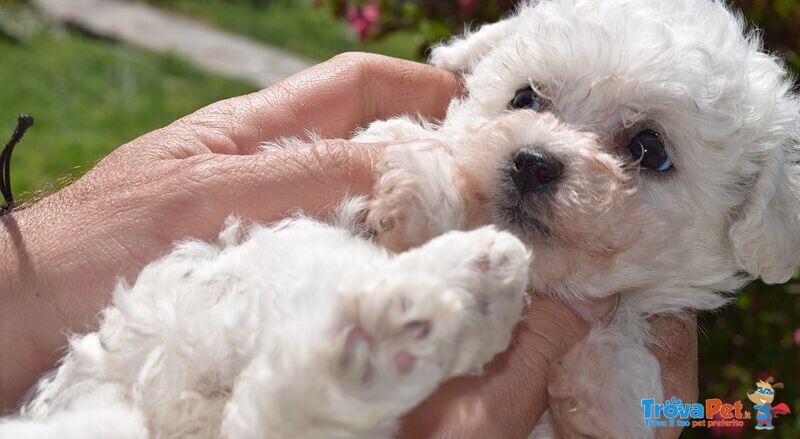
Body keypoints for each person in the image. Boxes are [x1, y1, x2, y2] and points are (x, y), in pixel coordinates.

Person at [0, 53, 696, 436]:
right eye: (526, 100)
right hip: (176, 362)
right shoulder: (420, 164)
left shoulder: (640, 360)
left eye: (644, 149)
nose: (542, 151)